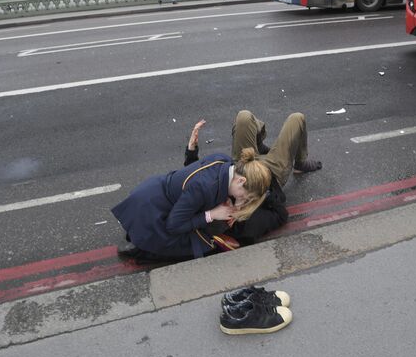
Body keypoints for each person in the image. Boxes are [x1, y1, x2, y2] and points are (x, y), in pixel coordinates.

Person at [184, 110, 322, 245]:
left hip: (243, 164)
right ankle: (300, 161)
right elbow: (281, 215)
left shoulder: (211, 200)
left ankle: (258, 145)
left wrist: (191, 151)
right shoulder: (248, 226)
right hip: (271, 173)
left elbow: (194, 181)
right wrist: (265, 191)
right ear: (230, 221)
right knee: (297, 118)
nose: (228, 204)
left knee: (244, 117)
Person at [112, 147, 271, 263]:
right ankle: (141, 249)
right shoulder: (203, 187)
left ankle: (137, 235)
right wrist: (212, 215)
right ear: (241, 180)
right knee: (200, 249)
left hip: (155, 195)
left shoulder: (225, 161)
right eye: (245, 196)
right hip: (153, 213)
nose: (242, 200)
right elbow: (173, 225)